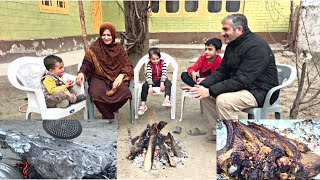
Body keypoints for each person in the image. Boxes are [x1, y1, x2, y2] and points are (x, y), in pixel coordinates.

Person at [182, 14, 279, 143]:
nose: (222, 33)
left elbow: (242, 80)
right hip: (243, 85)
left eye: (226, 29)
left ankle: (239, 141)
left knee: (224, 101)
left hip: (260, 90)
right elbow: (222, 71)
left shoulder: (256, 47)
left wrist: (211, 90)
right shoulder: (232, 46)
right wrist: (203, 86)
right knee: (203, 94)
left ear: (239, 29)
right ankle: (220, 132)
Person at [76, 22, 134, 120]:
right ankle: (109, 116)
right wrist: (81, 72)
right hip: (99, 77)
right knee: (95, 93)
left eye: (109, 35)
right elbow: (87, 63)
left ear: (113, 35)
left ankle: (107, 112)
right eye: (103, 35)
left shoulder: (119, 48)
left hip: (116, 77)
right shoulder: (95, 47)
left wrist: (120, 76)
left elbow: (128, 64)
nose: (106, 38)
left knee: (125, 93)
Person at [137, 47, 172, 115]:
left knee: (169, 83)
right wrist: (150, 86)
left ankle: (167, 99)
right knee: (145, 86)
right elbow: (149, 76)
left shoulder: (163, 63)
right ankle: (143, 104)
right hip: (153, 80)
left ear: (160, 57)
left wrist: (162, 83)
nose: (156, 61)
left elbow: (164, 74)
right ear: (149, 58)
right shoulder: (149, 65)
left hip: (162, 80)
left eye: (157, 59)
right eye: (153, 59)